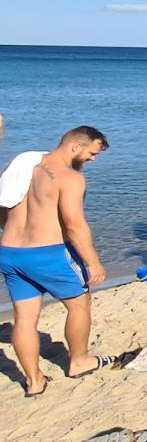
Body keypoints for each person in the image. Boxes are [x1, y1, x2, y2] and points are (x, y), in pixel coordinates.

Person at [0, 127, 113, 396]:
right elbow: (74, 225)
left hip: (10, 252)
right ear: (75, 146)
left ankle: (34, 381)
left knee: (25, 318)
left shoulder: (23, 166)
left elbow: (2, 208)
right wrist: (93, 262)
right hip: (47, 254)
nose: (92, 159)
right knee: (79, 304)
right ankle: (79, 361)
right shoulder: (69, 178)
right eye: (91, 153)